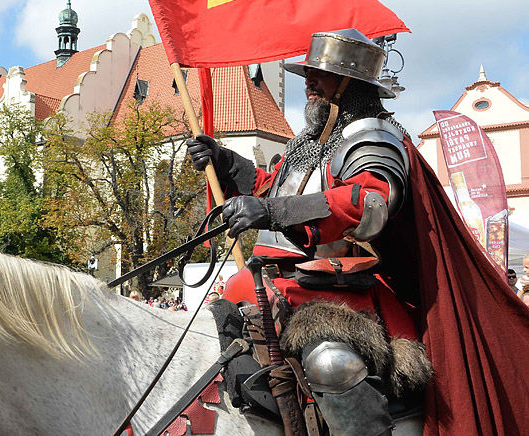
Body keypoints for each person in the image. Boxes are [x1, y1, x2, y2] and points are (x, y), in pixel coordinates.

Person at [187, 28, 529, 436]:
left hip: (343, 289)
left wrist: (273, 210)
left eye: (321, 75)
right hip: (274, 281)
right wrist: (225, 162)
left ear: (351, 85)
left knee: (331, 364)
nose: (309, 83)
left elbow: (372, 200)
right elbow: (271, 187)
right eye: (308, 74)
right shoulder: (309, 143)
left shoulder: (371, 135)